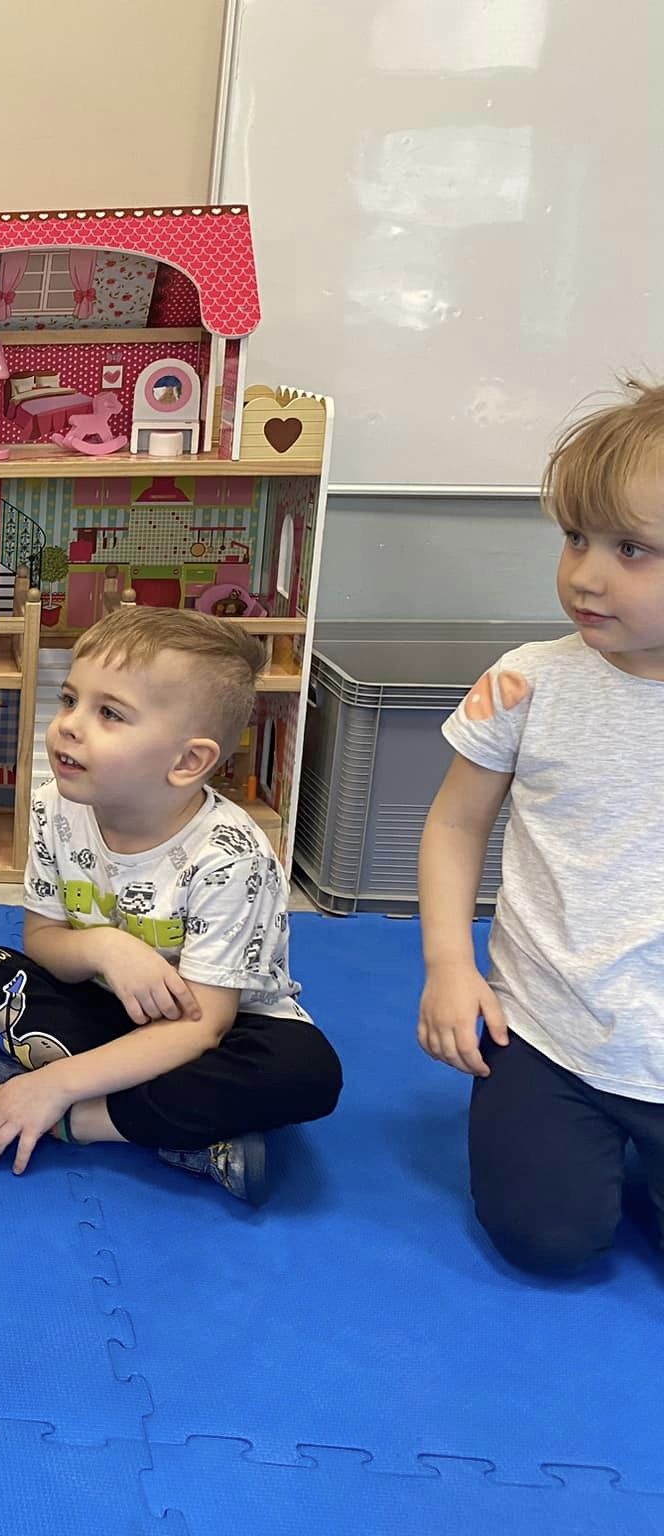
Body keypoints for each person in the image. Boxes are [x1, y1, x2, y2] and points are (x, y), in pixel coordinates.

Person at [0, 604, 342, 1204]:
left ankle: (79, 1119)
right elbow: (41, 941)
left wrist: (55, 1089)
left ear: (188, 762)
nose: (69, 725)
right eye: (70, 700)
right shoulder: (56, 807)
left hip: (218, 1031)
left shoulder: (231, 856)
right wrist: (104, 947)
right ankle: (185, 1135)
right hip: (110, 1010)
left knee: (305, 1071)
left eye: (110, 714)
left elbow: (202, 1027)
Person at [418, 379, 664, 1275]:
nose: (586, 576)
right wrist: (450, 966)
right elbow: (454, 824)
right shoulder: (527, 681)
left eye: (631, 549)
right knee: (547, 1241)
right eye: (575, 538)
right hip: (549, 1034)